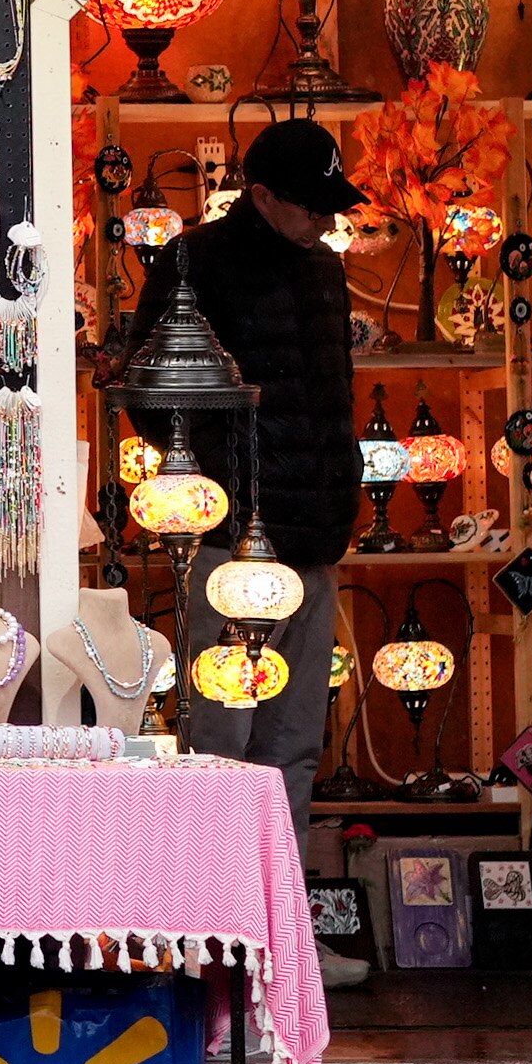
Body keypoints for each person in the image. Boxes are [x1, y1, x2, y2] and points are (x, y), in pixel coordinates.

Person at [129, 116, 371, 980]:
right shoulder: (195, 260)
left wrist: (341, 493)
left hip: (315, 537)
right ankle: (204, 933)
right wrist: (218, 471)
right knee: (219, 739)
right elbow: (147, 393)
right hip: (233, 541)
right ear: (262, 195)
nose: (323, 221)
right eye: (310, 206)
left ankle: (279, 944)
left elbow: (335, 396)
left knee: (295, 742)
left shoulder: (324, 270)